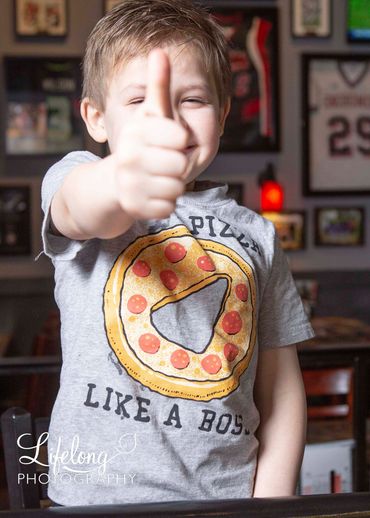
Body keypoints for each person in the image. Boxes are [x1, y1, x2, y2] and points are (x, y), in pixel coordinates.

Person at [41, 0, 314, 506]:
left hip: (223, 499)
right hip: (95, 498)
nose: (165, 118)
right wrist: (123, 182)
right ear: (96, 118)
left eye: (191, 99)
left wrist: (269, 504)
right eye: (139, 100)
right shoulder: (81, 177)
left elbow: (280, 389)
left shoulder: (258, 235)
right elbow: (80, 207)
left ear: (224, 113)